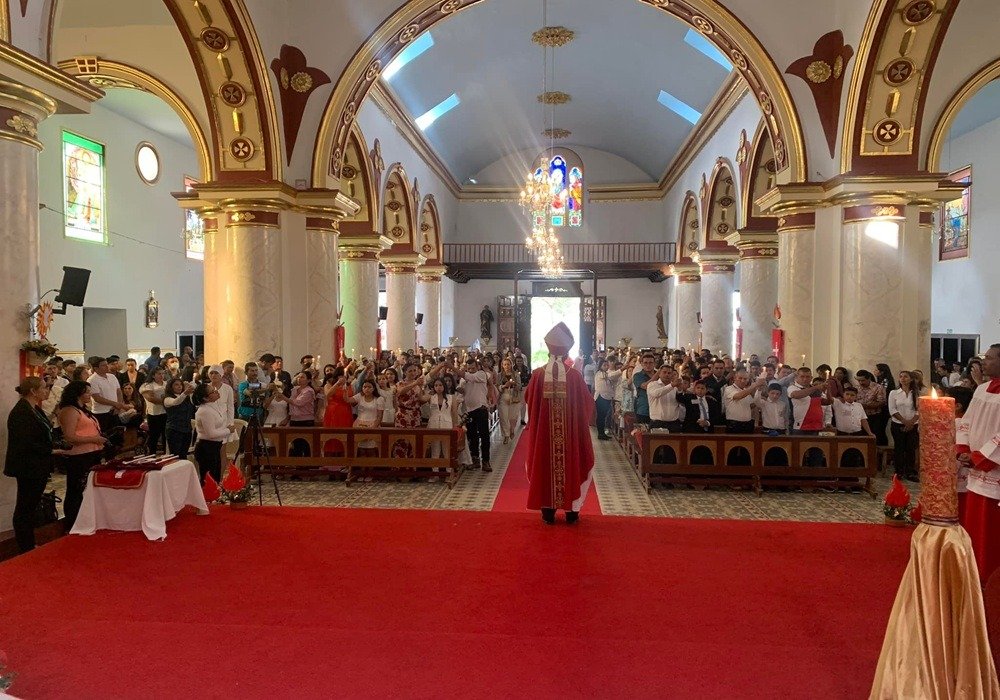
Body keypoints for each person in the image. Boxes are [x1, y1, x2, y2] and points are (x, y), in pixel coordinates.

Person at [524, 322, 595, 525]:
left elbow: (529, 399)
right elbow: (587, 404)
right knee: (572, 463)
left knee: (544, 463)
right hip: (570, 436)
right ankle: (572, 512)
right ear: (566, 353)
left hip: (544, 435)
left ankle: (548, 511)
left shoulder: (538, 375)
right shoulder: (575, 376)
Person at [957, 344, 1000, 583]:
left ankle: (989, 579)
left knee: (991, 532)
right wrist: (963, 449)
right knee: (974, 526)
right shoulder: (982, 389)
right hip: (974, 467)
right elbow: (967, 421)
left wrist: (980, 457)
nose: (984, 361)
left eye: (990, 358)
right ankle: (971, 575)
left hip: (993, 469)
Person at [4, 377, 62, 552]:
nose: (47, 391)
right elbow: (26, 443)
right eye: (44, 387)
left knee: (30, 505)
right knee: (25, 507)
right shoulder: (21, 412)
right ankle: (26, 545)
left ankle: (29, 543)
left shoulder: (34, 408)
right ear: (33, 391)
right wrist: (51, 450)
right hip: (28, 466)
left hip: (38, 464)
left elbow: (43, 432)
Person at [56, 380, 108, 530]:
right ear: (78, 393)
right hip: (79, 456)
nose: (90, 394)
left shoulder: (83, 410)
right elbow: (70, 437)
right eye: (87, 392)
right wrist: (94, 439)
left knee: (89, 489)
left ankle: (87, 519)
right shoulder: (69, 411)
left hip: (92, 453)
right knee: (76, 490)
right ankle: (73, 522)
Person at [457, 358, 494, 472]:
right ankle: (475, 459)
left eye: (473, 368)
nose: (471, 370)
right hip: (469, 410)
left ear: (477, 367)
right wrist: (460, 390)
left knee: (484, 435)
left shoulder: (481, 374)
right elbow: (463, 393)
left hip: (481, 408)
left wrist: (453, 367)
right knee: (472, 436)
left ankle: (486, 461)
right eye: (469, 368)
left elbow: (470, 377)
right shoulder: (464, 379)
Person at [193, 383, 233, 482]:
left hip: (215, 447)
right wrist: (228, 430)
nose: (217, 392)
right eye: (213, 391)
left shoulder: (212, 406)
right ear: (206, 398)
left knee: (215, 478)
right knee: (209, 480)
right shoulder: (204, 411)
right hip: (207, 448)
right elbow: (211, 434)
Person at [888, 370, 919, 481]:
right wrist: (904, 421)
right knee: (899, 448)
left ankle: (910, 471)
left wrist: (911, 422)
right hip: (898, 424)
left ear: (911, 379)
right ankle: (899, 471)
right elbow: (892, 409)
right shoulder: (894, 393)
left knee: (910, 448)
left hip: (913, 424)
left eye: (905, 376)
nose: (903, 379)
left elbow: (919, 410)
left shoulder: (916, 393)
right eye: (901, 376)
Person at [87, 356, 126, 434]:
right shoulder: (92, 380)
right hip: (101, 413)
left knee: (117, 434)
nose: (107, 366)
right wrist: (115, 404)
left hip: (115, 410)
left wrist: (119, 405)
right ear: (96, 368)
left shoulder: (112, 376)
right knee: (105, 435)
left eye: (106, 364)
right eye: (103, 365)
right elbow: (97, 398)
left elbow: (119, 391)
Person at [163, 378, 196, 460]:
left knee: (184, 455)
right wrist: (185, 393)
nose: (179, 386)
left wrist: (191, 389)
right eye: (176, 385)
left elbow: (194, 402)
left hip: (187, 429)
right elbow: (176, 402)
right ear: (170, 387)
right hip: (174, 429)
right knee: (175, 456)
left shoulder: (186, 397)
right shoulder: (167, 398)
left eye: (181, 384)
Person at [593, 359, 621, 440]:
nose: (606, 367)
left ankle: (602, 433)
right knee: (601, 416)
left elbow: (612, 381)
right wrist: (621, 369)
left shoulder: (606, 373)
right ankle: (600, 433)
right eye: (604, 365)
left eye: (607, 365)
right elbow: (610, 376)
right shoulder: (599, 373)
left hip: (606, 397)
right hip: (601, 397)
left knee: (603, 416)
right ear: (600, 366)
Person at [496, 357, 522, 444]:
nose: (507, 366)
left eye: (508, 364)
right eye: (505, 364)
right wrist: (504, 386)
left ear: (511, 365)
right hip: (503, 397)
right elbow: (497, 387)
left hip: (513, 397)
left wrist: (514, 384)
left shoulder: (516, 374)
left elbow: (520, 386)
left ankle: (511, 430)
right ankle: (506, 435)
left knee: (512, 417)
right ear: (502, 365)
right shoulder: (499, 375)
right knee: (503, 417)